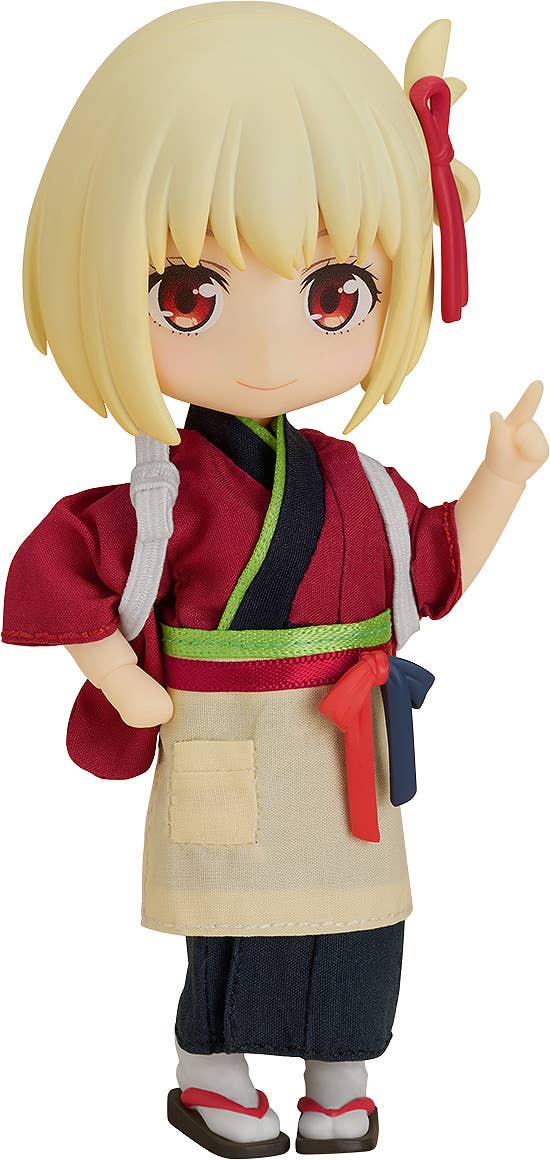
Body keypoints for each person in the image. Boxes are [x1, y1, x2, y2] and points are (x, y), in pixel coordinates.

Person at [3, 5, 547, 1155]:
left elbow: (434, 566)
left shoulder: (360, 482)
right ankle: (210, 1072)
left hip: (344, 744)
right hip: (222, 730)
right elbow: (57, 571)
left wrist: (499, 478)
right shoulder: (162, 492)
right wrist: (119, 678)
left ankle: (340, 1078)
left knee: (359, 924)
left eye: (332, 294)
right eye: (188, 295)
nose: (263, 349)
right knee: (234, 927)